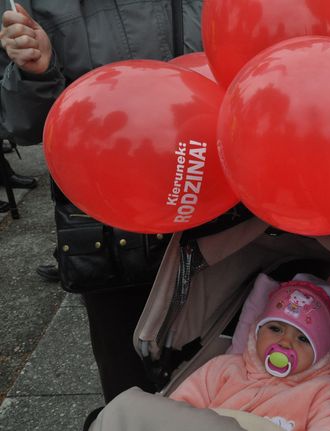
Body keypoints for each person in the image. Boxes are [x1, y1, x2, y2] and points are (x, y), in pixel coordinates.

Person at [0, 0, 203, 402]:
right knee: (135, 388)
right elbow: (21, 123)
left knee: (237, 374)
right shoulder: (31, 6)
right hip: (115, 234)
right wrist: (34, 71)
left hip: (226, 218)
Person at [169, 279, 330, 431]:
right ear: (258, 330)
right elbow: (175, 412)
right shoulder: (223, 368)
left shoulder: (329, 392)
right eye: (275, 329)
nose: (285, 342)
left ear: (323, 354)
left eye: (303, 339)